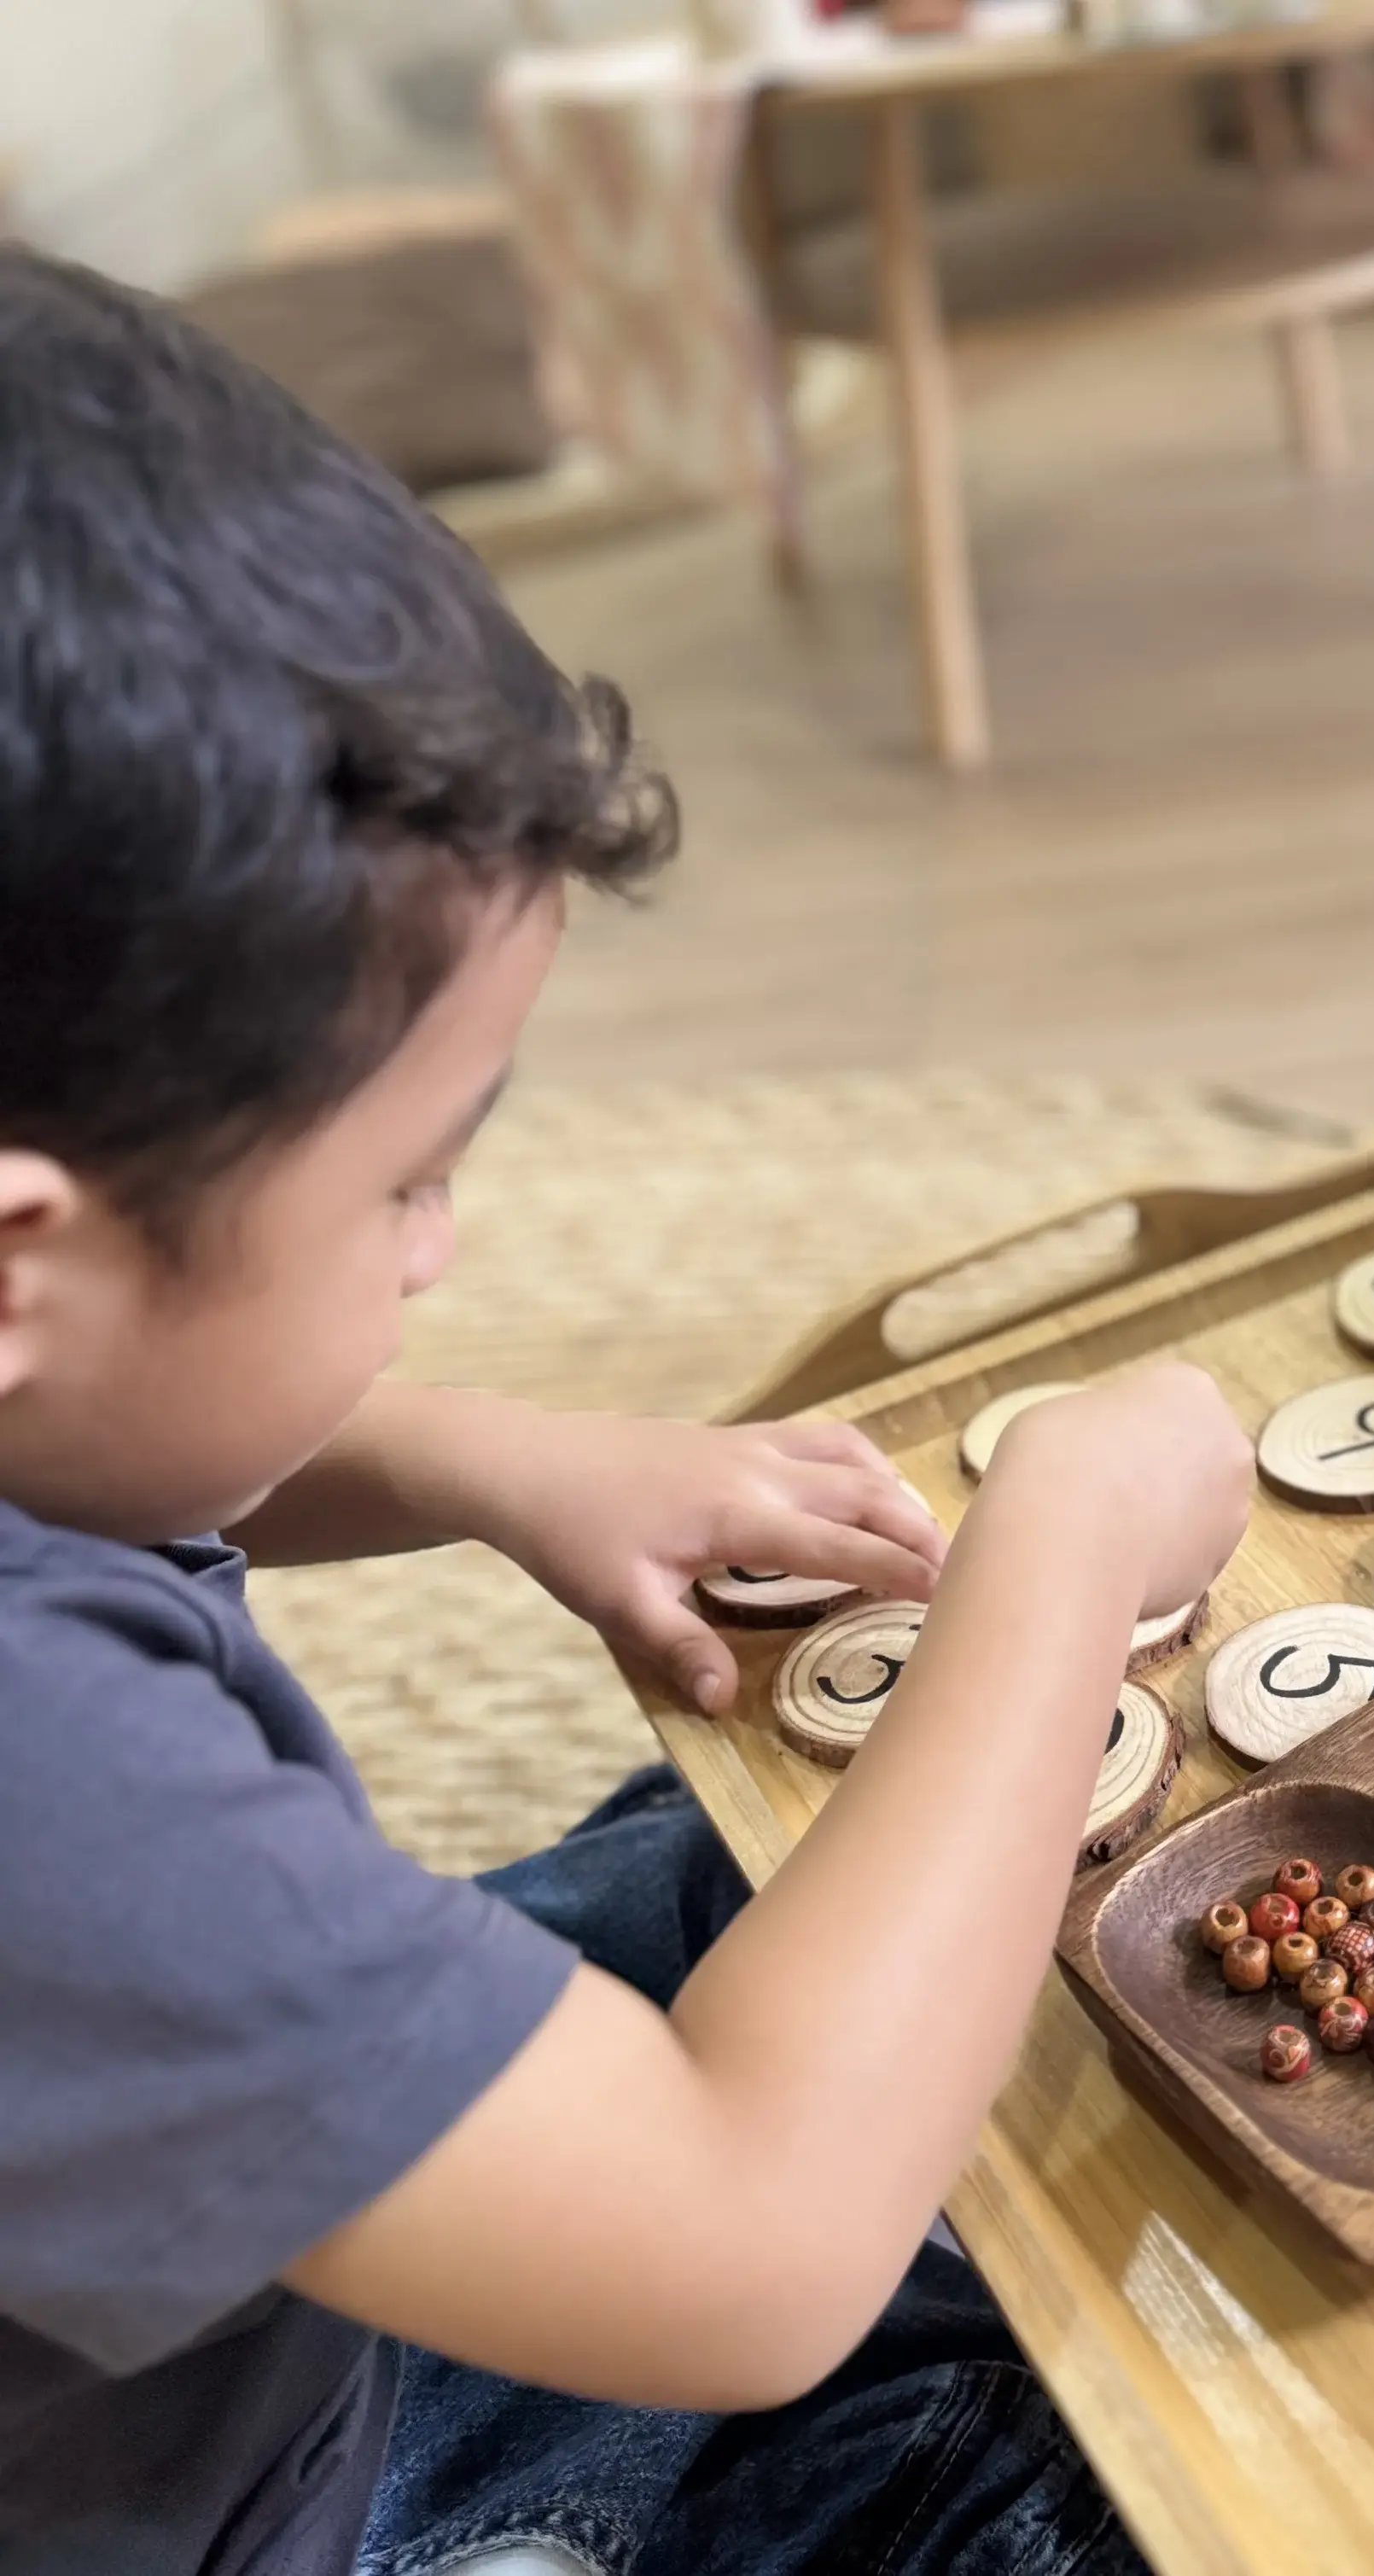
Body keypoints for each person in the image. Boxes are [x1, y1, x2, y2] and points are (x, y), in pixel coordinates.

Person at [0, 246, 1253, 2575]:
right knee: (1106, 2473)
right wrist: (1058, 1548)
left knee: (745, 1836)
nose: (443, 1245)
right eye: (406, 1180)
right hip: (286, 2499)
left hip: (197, 2323)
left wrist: (480, 1454)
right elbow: (745, 2250)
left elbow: (88, 1463)